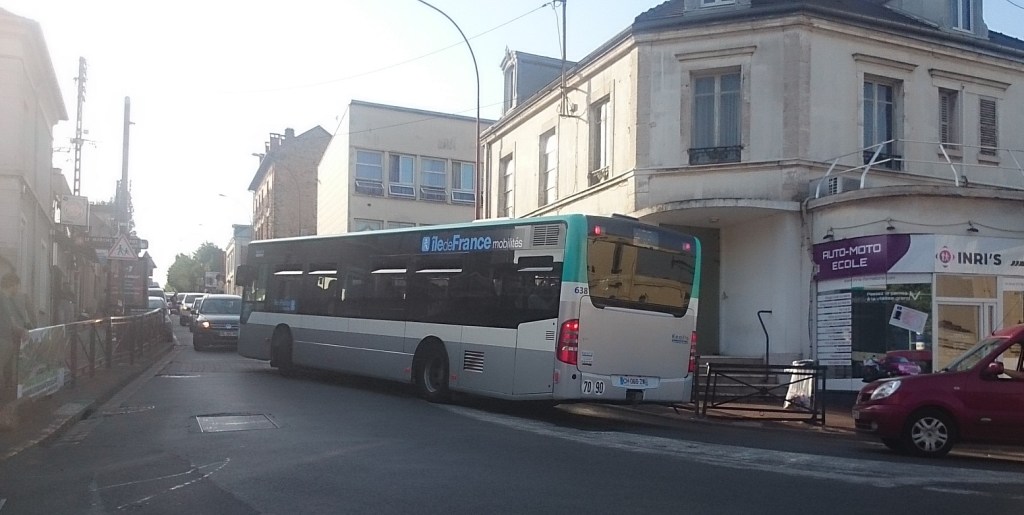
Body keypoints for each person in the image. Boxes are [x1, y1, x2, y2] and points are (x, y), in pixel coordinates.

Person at [0, 273, 30, 392]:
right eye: (18, 286)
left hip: (6, 338)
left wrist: (21, 330)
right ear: (12, 285)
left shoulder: (6, 299)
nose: (18, 289)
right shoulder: (3, 298)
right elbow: (11, 322)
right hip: (3, 338)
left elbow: (11, 320)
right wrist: (22, 331)